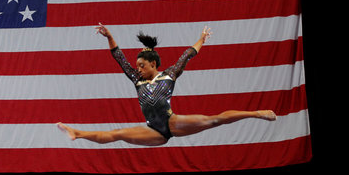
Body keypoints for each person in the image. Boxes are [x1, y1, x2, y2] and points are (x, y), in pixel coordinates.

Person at [56, 23, 276, 146]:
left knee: (214, 120)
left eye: (141, 65)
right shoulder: (137, 79)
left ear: (153, 64)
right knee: (117, 133)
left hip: (172, 123)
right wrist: (109, 36)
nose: (138, 69)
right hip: (154, 131)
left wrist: (201, 39)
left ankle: (256, 113)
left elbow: (187, 55)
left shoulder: (169, 75)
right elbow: (119, 58)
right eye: (137, 66)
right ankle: (77, 132)